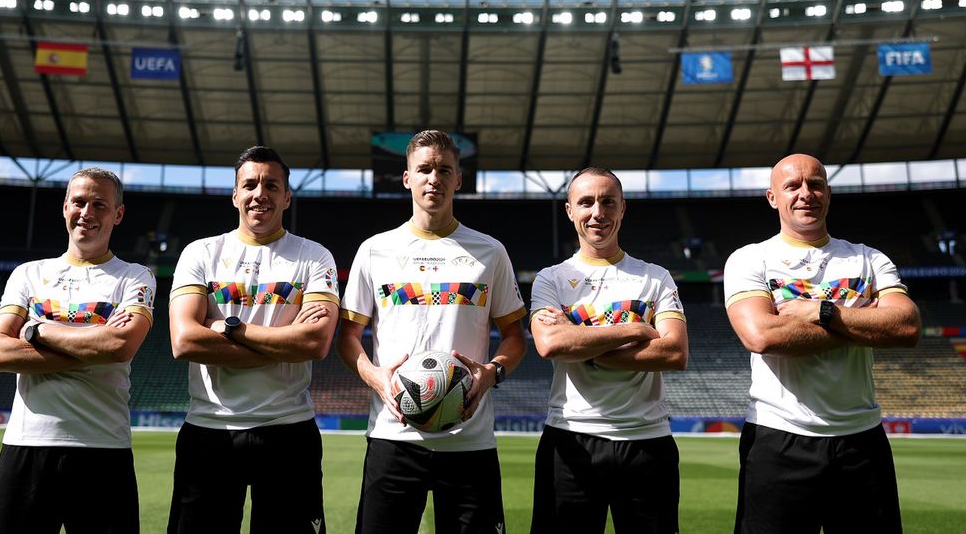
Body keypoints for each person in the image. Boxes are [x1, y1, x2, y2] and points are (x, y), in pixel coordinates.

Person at [337, 129, 528, 534]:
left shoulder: (490, 251)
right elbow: (348, 337)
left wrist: (491, 372)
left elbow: (515, 335)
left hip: (469, 440)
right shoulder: (374, 249)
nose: (433, 178)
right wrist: (378, 380)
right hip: (393, 436)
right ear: (406, 178)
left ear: (459, 179)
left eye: (444, 169)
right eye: (423, 169)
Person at [724, 153, 921, 534]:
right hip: (778, 438)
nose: (805, 194)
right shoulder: (751, 259)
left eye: (815, 184)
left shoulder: (868, 258)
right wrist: (863, 318)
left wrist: (822, 312)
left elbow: (906, 327)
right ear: (772, 198)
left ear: (828, 193)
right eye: (792, 186)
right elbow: (762, 336)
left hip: (862, 440)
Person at [166, 145, 338, 533]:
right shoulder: (201, 253)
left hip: (289, 432)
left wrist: (229, 327)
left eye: (271, 185)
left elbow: (314, 344)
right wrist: (284, 340)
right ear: (235, 195)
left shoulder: (314, 257)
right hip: (210, 430)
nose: (260, 193)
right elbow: (184, 341)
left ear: (287, 196)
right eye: (250, 185)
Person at [0, 167, 156, 534]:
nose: (87, 213)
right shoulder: (28, 274)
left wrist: (36, 330)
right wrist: (93, 345)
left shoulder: (135, 277)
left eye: (100, 204)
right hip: (27, 445)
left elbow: (119, 346)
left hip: (103, 449)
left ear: (118, 214)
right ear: (65, 207)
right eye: (79, 202)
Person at [529, 167, 688, 534]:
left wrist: (580, 341)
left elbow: (674, 353)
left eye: (607, 202)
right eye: (586, 202)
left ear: (622, 209)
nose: (597, 212)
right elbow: (551, 343)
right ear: (570, 210)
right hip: (569, 441)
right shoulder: (550, 278)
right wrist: (635, 328)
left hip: (647, 442)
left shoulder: (655, 276)